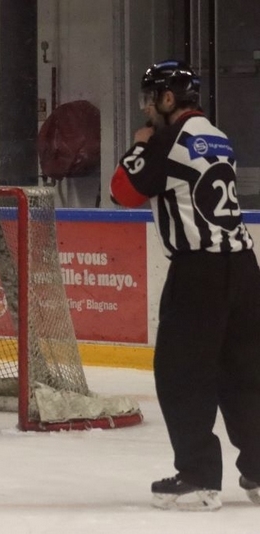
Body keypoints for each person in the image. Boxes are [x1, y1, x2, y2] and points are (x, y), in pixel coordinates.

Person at [110, 59, 260, 511]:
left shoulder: (167, 140)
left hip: (200, 273)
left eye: (150, 100)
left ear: (168, 99)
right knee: (244, 375)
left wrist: (138, 146)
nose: (147, 109)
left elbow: (123, 192)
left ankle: (196, 477)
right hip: (245, 269)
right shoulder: (218, 135)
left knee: (181, 374)